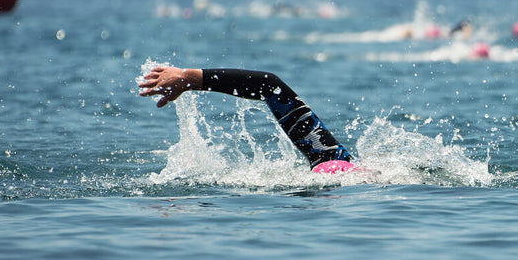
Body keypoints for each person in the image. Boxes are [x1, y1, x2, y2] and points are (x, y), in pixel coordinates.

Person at [138, 66, 355, 173]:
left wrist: (191, 79)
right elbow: (270, 86)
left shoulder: (336, 166)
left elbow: (270, 86)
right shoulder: (338, 166)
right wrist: (191, 78)